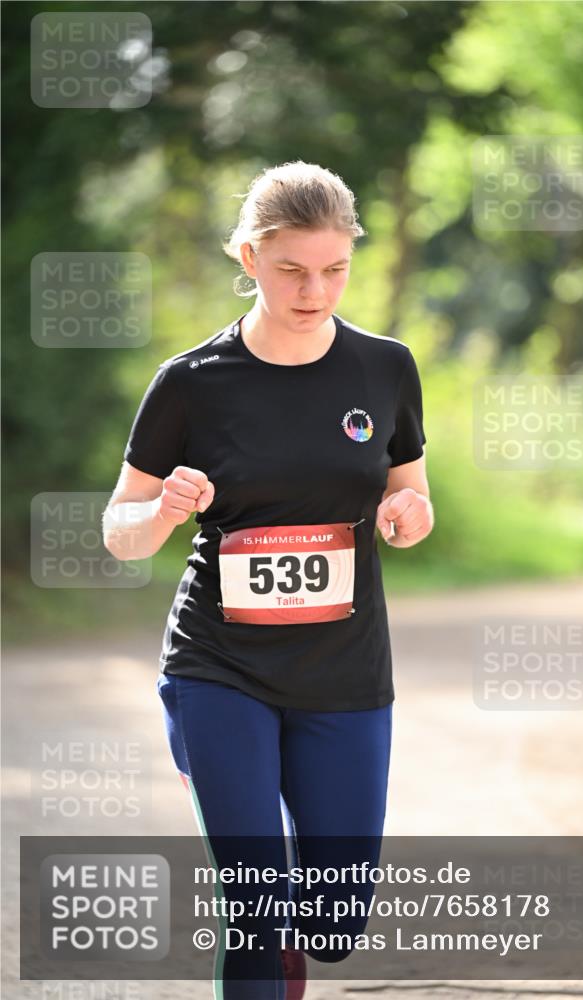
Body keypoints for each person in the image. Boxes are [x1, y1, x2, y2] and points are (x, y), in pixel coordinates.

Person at [103, 160, 433, 1000]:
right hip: (219, 667)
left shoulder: (385, 368)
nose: (313, 290)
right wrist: (163, 510)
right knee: (254, 902)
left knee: (334, 923)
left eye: (333, 269)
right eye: (291, 269)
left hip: (345, 672)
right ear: (248, 257)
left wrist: (409, 513)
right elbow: (120, 531)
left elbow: (410, 491)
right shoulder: (190, 383)